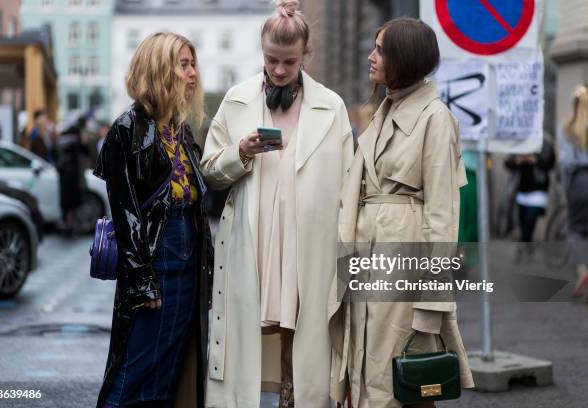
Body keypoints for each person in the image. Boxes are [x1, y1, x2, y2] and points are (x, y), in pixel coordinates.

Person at [200, 1, 354, 406]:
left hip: (310, 242)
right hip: (255, 239)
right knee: (250, 336)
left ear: (306, 56)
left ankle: (293, 393)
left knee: (306, 333)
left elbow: (348, 182)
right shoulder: (235, 100)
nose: (280, 70)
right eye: (272, 60)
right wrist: (242, 151)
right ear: (261, 52)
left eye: (289, 61)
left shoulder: (332, 107)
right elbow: (211, 172)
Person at [328, 18, 474, 408]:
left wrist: (431, 304)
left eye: (380, 49)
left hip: (404, 266)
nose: (371, 57)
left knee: (401, 382)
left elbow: (443, 214)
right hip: (368, 257)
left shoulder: (434, 118)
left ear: (404, 58)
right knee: (366, 368)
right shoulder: (385, 109)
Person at [94, 32, 213, 408]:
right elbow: (126, 211)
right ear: (159, 70)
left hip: (187, 265)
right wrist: (143, 279)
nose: (192, 73)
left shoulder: (181, 130)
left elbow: (199, 199)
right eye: (183, 64)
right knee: (133, 374)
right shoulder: (127, 129)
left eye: (193, 64)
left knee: (168, 373)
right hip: (154, 264)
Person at [558, 84, 588, 300]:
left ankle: (582, 271)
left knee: (576, 230)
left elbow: (566, 163)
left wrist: (566, 186)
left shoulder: (567, 128)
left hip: (579, 182)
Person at [504, 140, 555, 246]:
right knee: (522, 223)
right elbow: (507, 162)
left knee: (529, 221)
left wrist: (536, 160)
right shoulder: (518, 139)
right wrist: (518, 160)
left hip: (537, 190)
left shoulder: (545, 141)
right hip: (520, 190)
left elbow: (550, 163)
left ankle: (525, 245)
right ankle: (526, 247)